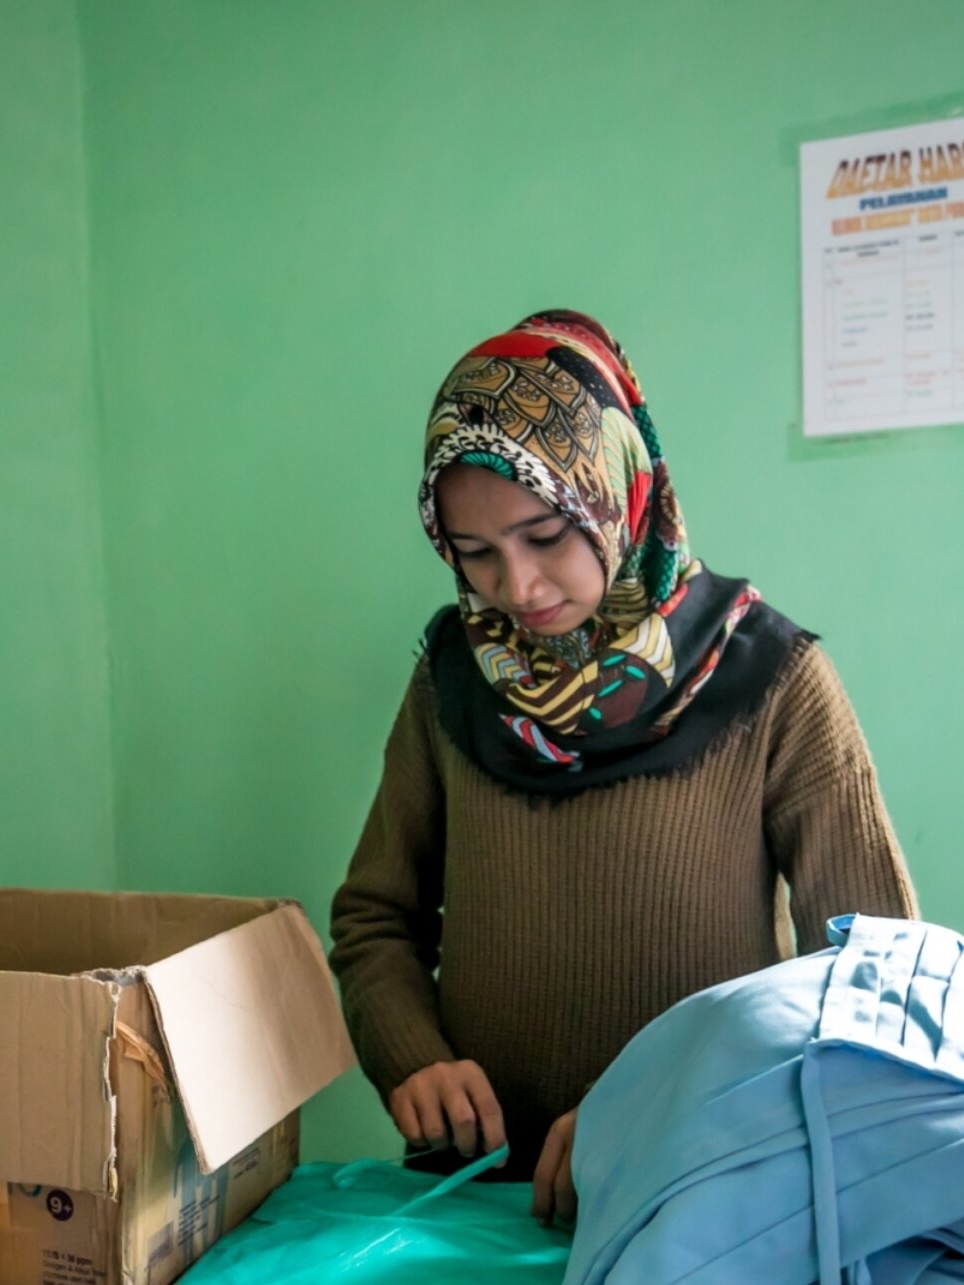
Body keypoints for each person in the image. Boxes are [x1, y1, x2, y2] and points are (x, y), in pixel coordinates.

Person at [329, 310, 915, 1226]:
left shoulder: (772, 680)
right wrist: (410, 1055)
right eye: (474, 554)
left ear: (617, 495)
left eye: (546, 534)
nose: (517, 589)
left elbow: (872, 981)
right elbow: (376, 919)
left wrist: (670, 1116)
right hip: (477, 1205)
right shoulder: (454, 678)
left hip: (703, 1203)